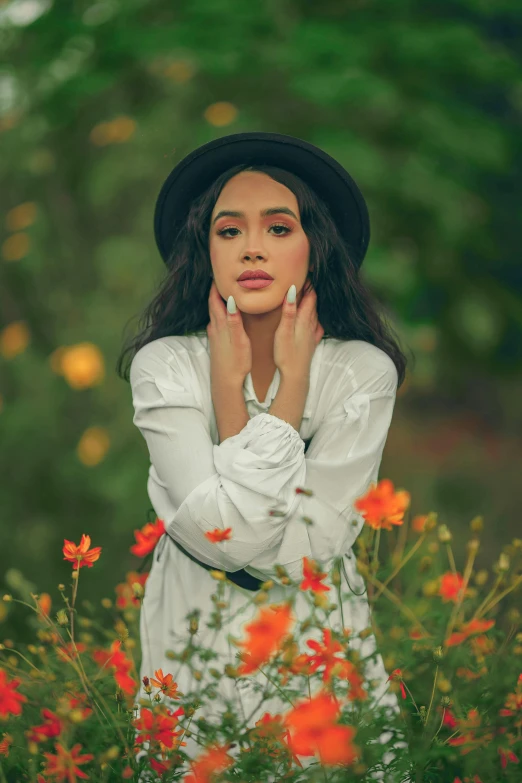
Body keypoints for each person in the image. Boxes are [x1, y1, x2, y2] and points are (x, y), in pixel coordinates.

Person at [118, 132, 412, 780]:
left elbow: (313, 546)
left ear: (316, 246)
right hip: (193, 638)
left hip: (316, 645)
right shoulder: (165, 366)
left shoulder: (359, 374)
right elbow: (230, 542)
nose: (252, 246)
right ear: (206, 249)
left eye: (279, 227)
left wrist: (290, 385)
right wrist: (243, 398)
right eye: (229, 231)